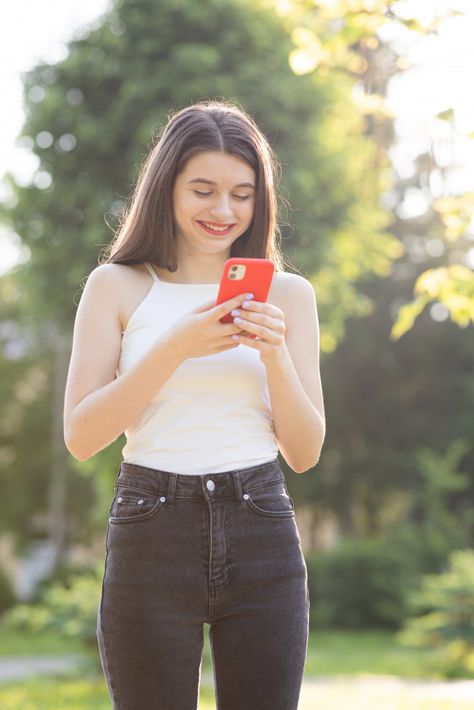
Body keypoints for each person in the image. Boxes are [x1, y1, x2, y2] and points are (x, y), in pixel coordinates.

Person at [63, 99, 325, 710]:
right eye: (202, 190)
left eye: (242, 193)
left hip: (260, 519)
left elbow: (306, 452)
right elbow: (81, 436)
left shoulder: (290, 295)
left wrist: (274, 354)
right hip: (151, 522)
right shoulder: (117, 286)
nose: (223, 210)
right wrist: (176, 346)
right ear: (166, 188)